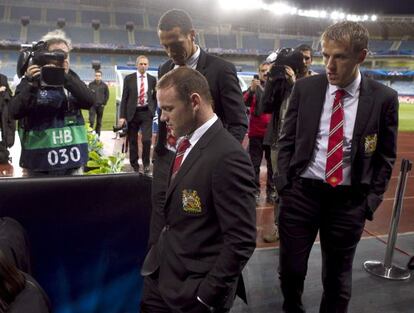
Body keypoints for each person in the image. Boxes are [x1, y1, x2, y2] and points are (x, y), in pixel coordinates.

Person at [275, 21, 398, 312]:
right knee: (290, 271)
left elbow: (385, 156)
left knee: (338, 281)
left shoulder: (383, 98)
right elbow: (286, 140)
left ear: (361, 56)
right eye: (325, 55)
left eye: (339, 56)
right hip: (302, 194)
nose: (329, 65)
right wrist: (285, 186)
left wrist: (369, 202)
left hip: (348, 202)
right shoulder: (306, 89)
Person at [140, 67, 256, 313]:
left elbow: (241, 240)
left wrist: (206, 296)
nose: (162, 118)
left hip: (192, 292)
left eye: (169, 109)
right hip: (162, 275)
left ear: (194, 102)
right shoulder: (186, 142)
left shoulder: (228, 156)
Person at [152, 8, 248, 226]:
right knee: (162, 219)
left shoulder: (221, 70)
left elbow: (238, 122)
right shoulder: (164, 69)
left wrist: (219, 159)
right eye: (164, 46)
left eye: (175, 44)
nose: (169, 52)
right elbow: (163, 112)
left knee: (195, 223)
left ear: (192, 35)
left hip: (203, 163)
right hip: (167, 159)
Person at [10, 29, 94, 176]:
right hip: (38, 164)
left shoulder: (72, 78)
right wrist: (30, 84)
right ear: (45, 56)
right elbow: (14, 111)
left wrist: (64, 77)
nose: (63, 58)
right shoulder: (32, 78)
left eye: (65, 55)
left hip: (72, 163)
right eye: (57, 54)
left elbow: (90, 101)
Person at [118, 55, 157, 174]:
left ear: (148, 65)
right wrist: (122, 117)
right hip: (132, 113)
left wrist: (152, 109)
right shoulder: (129, 79)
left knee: (146, 140)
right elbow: (124, 98)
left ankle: (146, 164)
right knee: (133, 141)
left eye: (145, 64)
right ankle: (134, 165)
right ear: (137, 65)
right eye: (141, 64)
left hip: (146, 113)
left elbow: (154, 97)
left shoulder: (152, 79)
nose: (143, 66)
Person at [243, 62, 275, 203]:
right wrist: (251, 90)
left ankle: (270, 191)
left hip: (270, 133)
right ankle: (255, 191)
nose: (264, 74)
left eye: (267, 72)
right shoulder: (253, 89)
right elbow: (245, 102)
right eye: (262, 71)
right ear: (259, 72)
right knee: (254, 164)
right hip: (256, 133)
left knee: (271, 165)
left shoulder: (274, 88)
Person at [88, 70, 109, 136]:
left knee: (99, 122)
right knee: (91, 121)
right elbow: (87, 94)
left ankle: (97, 136)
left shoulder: (104, 85)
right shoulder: (91, 84)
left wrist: (104, 103)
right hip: (92, 106)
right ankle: (90, 135)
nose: (97, 77)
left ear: (101, 77)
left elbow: (107, 95)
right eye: (96, 75)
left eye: (99, 76)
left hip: (100, 106)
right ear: (95, 76)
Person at [0, 69, 14, 164]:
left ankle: (3, 149)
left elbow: (9, 93)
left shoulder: (3, 78)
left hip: (3, 109)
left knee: (6, 129)